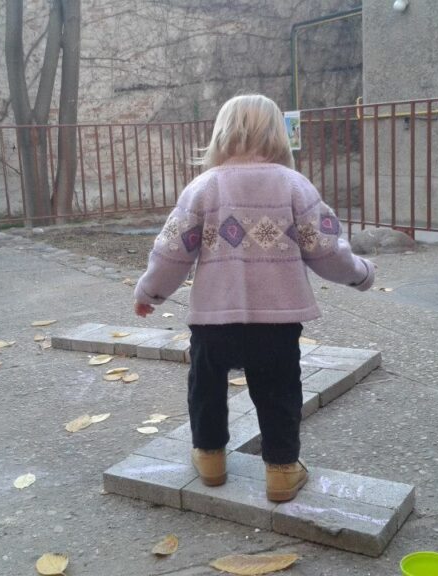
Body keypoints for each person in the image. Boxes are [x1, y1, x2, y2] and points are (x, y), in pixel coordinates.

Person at [134, 94, 375, 502]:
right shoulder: (294, 186)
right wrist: (361, 274)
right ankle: (281, 471)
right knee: (279, 390)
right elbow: (327, 250)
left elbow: (172, 252)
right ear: (278, 134)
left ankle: (210, 457)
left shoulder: (202, 188)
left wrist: (150, 292)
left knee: (205, 386)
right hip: (277, 322)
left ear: (221, 134)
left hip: (214, 320)